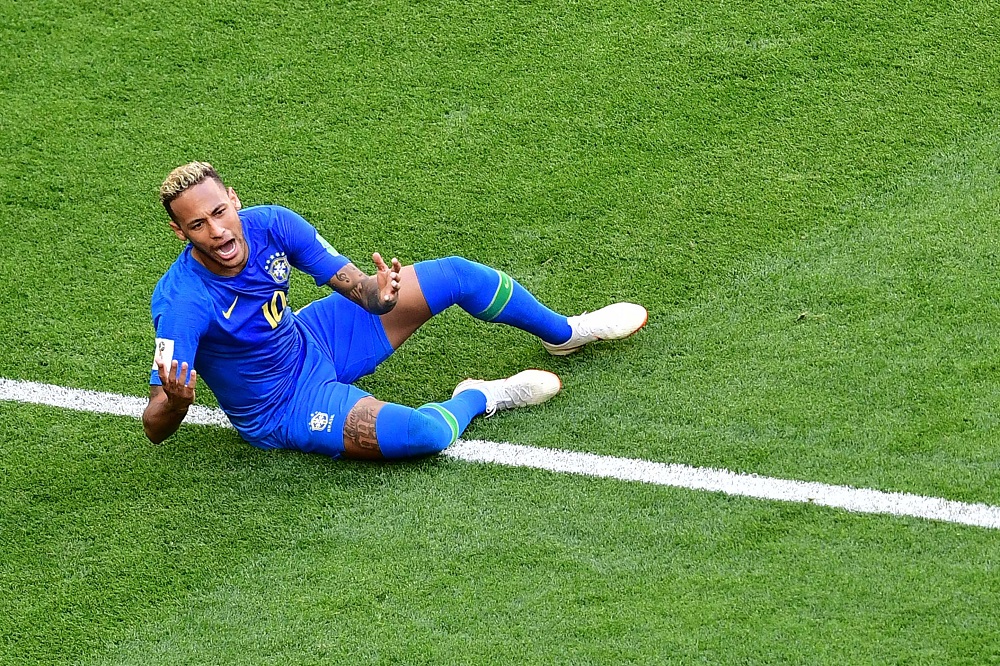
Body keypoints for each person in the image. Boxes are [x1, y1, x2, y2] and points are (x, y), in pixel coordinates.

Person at [142, 162, 648, 460]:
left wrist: (377, 295)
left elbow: (356, 286)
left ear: (233, 199)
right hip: (283, 407)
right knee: (424, 434)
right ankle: (480, 396)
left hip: (313, 338)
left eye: (219, 212)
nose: (217, 231)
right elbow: (153, 426)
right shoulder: (182, 303)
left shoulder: (273, 224)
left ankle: (564, 332)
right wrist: (177, 403)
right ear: (180, 233)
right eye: (197, 225)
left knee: (458, 275)